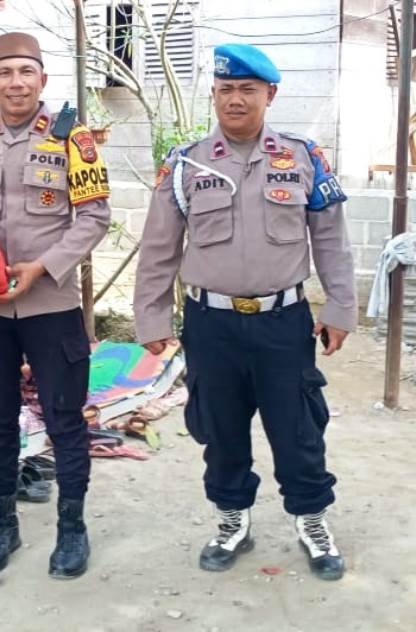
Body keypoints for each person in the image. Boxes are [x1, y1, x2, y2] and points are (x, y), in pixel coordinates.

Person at [133, 43, 356, 581]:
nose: (235, 99)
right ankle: (232, 520)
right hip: (211, 325)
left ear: (269, 95)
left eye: (247, 90)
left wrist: (341, 308)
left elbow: (331, 241)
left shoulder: (304, 158)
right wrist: (152, 321)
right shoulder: (184, 164)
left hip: (284, 323)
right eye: (226, 89)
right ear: (214, 93)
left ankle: (311, 521)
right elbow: (159, 248)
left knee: (298, 429)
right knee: (222, 429)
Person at [0, 32, 112, 579]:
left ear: (42, 80)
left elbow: (95, 217)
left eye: (25, 72)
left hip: (51, 304)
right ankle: (2, 524)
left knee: (65, 419)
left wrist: (43, 266)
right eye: (5, 73)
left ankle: (72, 529)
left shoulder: (72, 140)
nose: (16, 82)